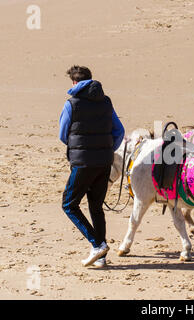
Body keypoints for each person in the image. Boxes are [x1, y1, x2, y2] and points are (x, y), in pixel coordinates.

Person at [59, 65, 125, 267]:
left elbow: (63, 134)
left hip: (82, 162)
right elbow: (120, 131)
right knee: (96, 206)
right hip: (104, 161)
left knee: (69, 204)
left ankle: (97, 245)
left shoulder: (72, 104)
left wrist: (79, 148)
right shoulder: (106, 101)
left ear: (74, 83)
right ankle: (101, 257)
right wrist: (105, 149)